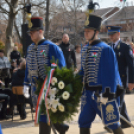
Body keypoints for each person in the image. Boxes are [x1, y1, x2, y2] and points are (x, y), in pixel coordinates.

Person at [78, 14, 124, 134]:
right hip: (87, 94)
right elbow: (83, 71)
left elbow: (111, 74)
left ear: (96, 31)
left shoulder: (105, 49)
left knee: (112, 122)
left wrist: (108, 93)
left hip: (102, 94)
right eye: (85, 31)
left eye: (89, 31)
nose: (86, 33)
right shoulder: (84, 49)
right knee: (83, 122)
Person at [23, 16, 69, 134]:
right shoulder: (30, 48)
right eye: (30, 32)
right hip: (35, 90)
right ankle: (60, 126)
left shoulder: (52, 47)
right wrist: (26, 83)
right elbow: (29, 66)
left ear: (40, 31)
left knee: (44, 118)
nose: (31, 35)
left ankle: (60, 125)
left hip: (49, 89)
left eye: (33, 32)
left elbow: (61, 69)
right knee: (43, 117)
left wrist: (57, 87)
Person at [106, 26, 134, 128]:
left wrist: (131, 81)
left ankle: (113, 124)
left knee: (118, 100)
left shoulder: (125, 47)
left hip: (122, 79)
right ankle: (125, 122)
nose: (110, 36)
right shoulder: (108, 47)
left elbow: (131, 65)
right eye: (109, 34)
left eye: (112, 34)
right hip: (111, 79)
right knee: (118, 99)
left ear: (118, 34)